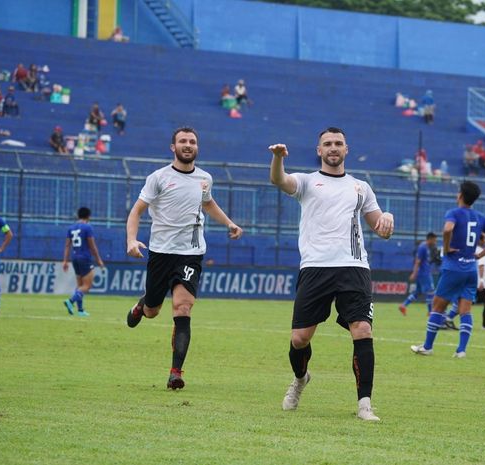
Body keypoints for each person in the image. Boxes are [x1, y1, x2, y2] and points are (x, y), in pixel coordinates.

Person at [268, 127, 394, 421]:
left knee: (362, 330)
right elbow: (279, 180)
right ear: (319, 150)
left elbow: (380, 227)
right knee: (299, 339)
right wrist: (277, 159)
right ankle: (300, 379)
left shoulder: (361, 187)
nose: (333, 148)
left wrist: (387, 220)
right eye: (328, 144)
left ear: (346, 150)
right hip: (315, 268)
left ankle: (365, 404)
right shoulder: (306, 182)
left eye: (338, 143)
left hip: (354, 267)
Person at [125, 127, 243, 390]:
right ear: (173, 147)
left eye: (192, 141)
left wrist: (229, 223)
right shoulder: (158, 178)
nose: (188, 145)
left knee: (182, 307)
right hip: (161, 253)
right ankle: (142, 305)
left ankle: (175, 373)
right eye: (183, 141)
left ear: (197, 147)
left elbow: (208, 203)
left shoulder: (205, 179)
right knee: (153, 311)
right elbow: (136, 211)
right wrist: (131, 240)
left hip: (190, 254)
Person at [411, 181, 485, 358]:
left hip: (453, 267)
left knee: (437, 307)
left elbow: (447, 229)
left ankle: (428, 347)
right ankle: (461, 350)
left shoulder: (454, 213)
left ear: (460, 195)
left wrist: (445, 248)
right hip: (470, 269)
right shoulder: (480, 217)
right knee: (465, 310)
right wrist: (480, 254)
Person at [62, 207, 104, 317]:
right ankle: (70, 301)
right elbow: (92, 246)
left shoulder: (71, 228)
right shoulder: (87, 227)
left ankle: (80, 310)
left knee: (80, 285)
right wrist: (99, 259)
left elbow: (67, 245)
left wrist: (65, 261)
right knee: (87, 286)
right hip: (85, 258)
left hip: (75, 258)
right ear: (88, 216)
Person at [399, 232, 439, 316]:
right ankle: (430, 311)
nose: (435, 242)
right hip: (424, 273)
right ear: (430, 239)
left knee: (418, 292)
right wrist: (414, 273)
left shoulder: (427, 247)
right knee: (431, 291)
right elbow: (418, 261)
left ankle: (403, 305)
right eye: (434, 240)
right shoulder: (423, 247)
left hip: (423, 272)